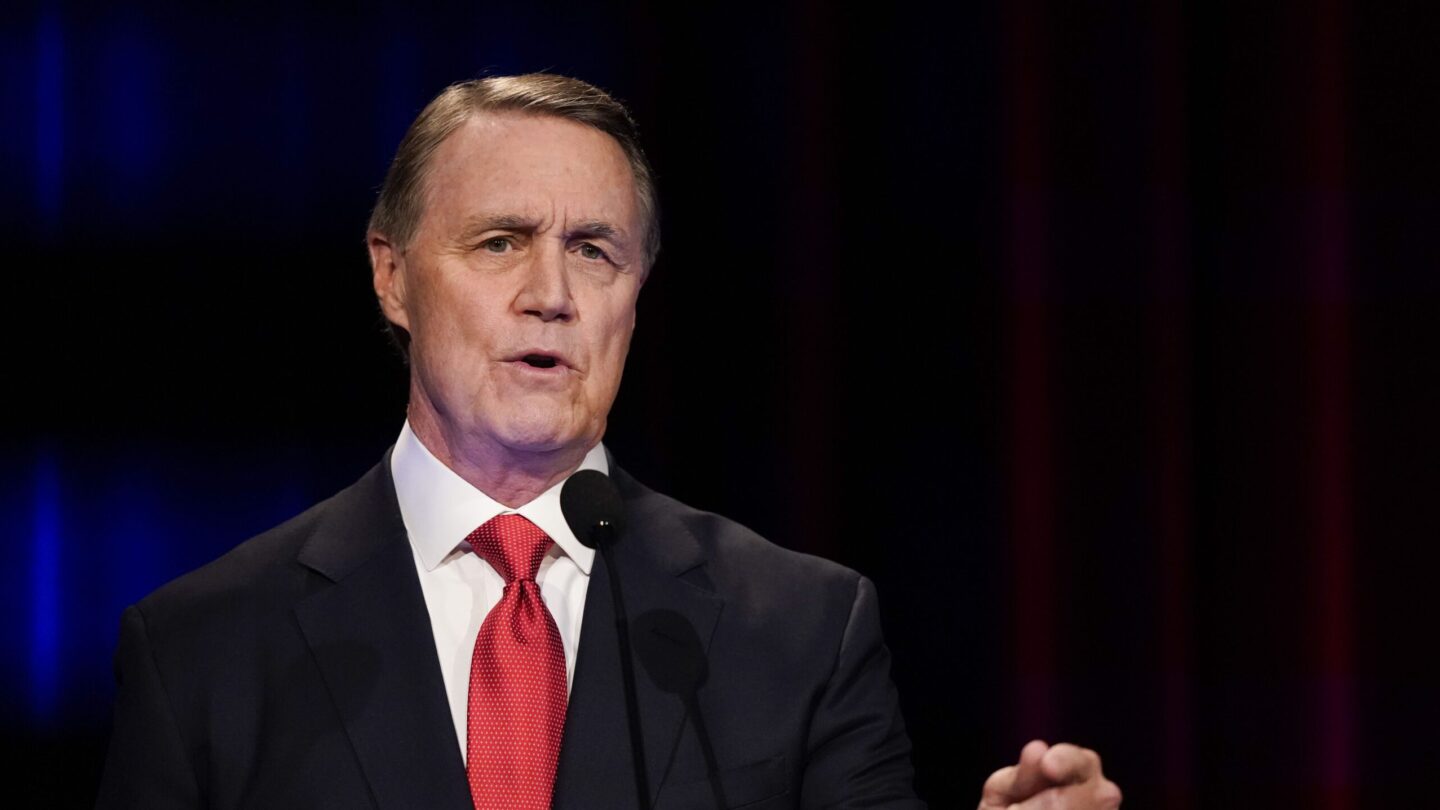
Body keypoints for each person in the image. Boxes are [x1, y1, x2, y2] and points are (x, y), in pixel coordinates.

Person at [95, 74, 1120, 809]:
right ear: (392, 274)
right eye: (500, 242)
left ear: (637, 294)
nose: (550, 296)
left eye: (594, 252)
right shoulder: (204, 650)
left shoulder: (802, 627)